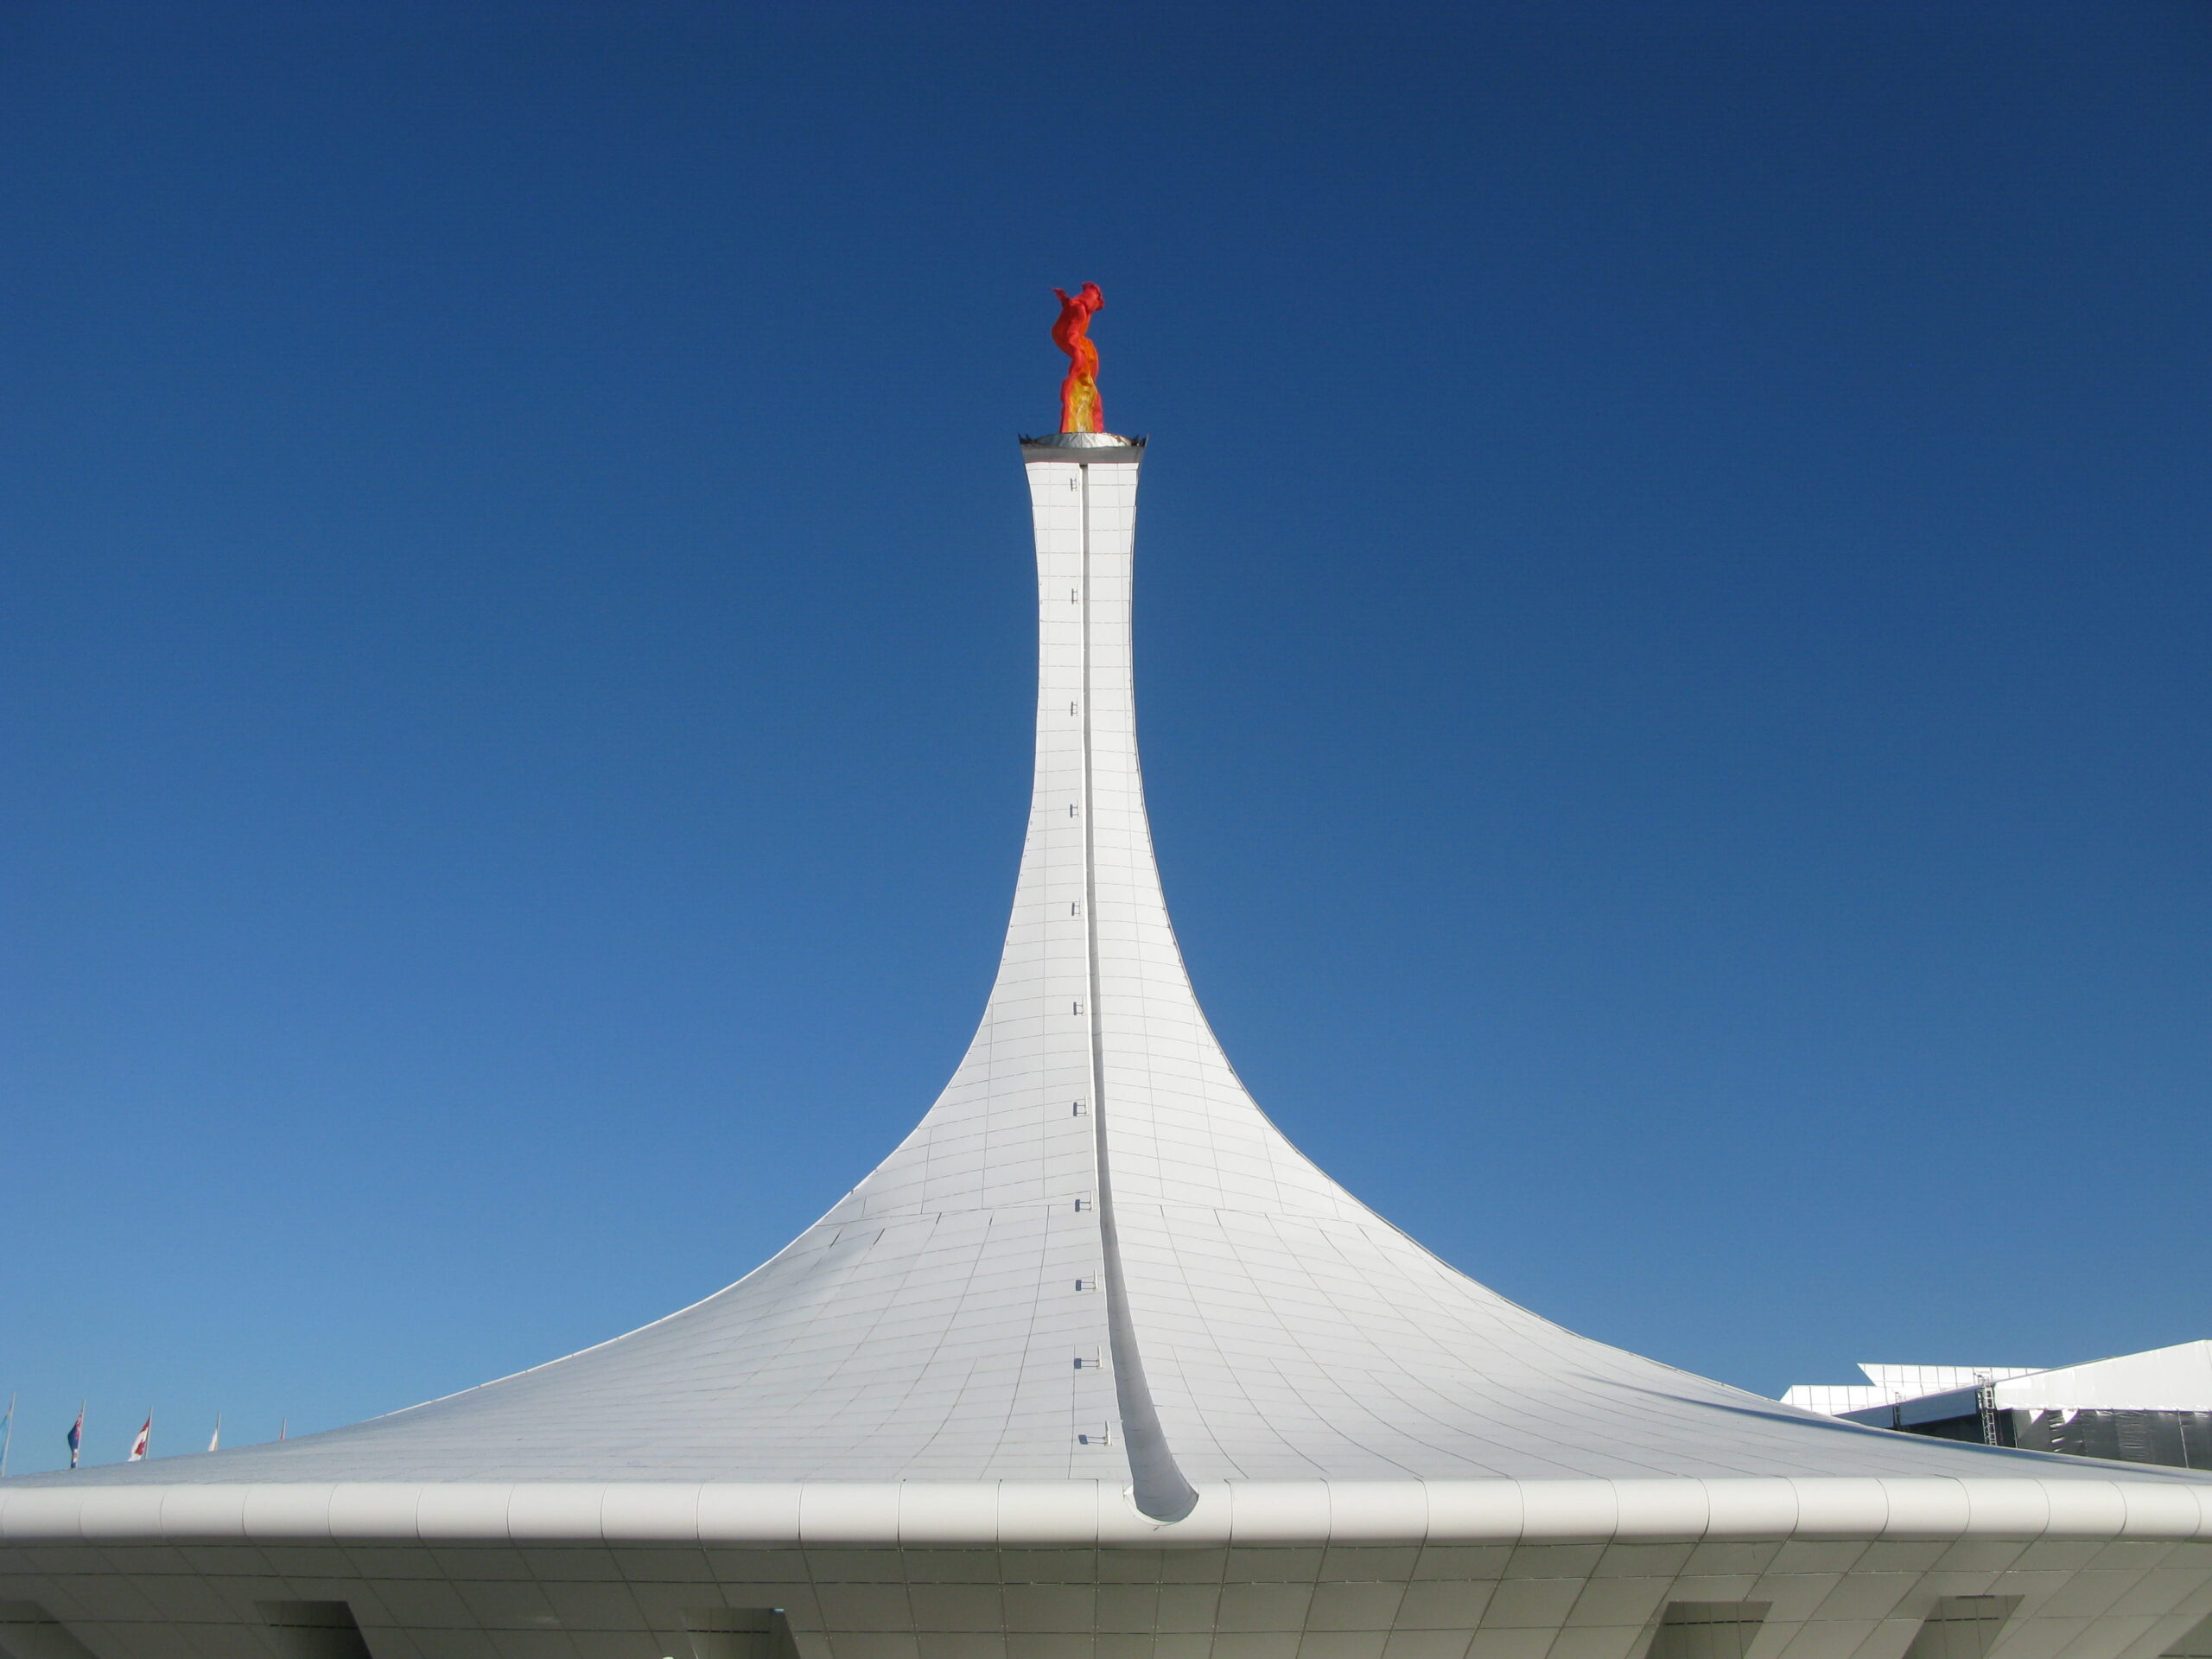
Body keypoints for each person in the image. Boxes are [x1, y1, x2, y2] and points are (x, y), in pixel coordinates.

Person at [1051, 283, 1104, 433]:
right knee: (1081, 373)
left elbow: (1071, 313)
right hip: (1069, 338)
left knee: (1084, 371)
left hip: (1073, 340)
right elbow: (1073, 327)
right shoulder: (1079, 308)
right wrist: (1074, 343)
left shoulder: (1080, 307)